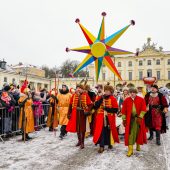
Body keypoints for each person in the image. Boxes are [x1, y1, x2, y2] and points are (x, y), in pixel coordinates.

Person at [93, 83, 119, 153]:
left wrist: (107, 109)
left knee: (108, 130)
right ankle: (101, 146)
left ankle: (109, 142)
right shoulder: (101, 97)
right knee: (101, 131)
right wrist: (101, 99)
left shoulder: (113, 99)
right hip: (101, 117)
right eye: (106, 90)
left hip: (109, 117)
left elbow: (116, 110)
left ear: (111, 92)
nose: (106, 92)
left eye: (108, 91)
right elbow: (95, 106)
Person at [121, 88, 147, 157]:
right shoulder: (126, 100)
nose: (132, 93)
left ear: (136, 93)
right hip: (130, 120)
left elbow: (144, 109)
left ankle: (138, 144)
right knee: (130, 134)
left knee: (138, 133)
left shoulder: (141, 99)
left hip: (139, 120)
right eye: (131, 92)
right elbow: (123, 110)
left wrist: (140, 117)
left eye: (133, 92)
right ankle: (130, 149)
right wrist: (124, 119)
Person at [66, 82, 92, 149]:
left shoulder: (85, 95)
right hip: (75, 112)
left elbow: (90, 104)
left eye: (79, 88)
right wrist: (69, 113)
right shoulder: (74, 95)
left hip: (83, 113)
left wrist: (87, 111)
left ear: (82, 89)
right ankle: (79, 141)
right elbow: (70, 104)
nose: (78, 89)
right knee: (77, 128)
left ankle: (82, 142)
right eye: (77, 88)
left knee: (82, 128)